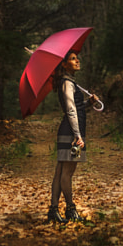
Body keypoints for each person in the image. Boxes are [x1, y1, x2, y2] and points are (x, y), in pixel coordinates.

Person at [47, 51, 100, 223]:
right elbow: (70, 110)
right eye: (72, 58)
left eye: (77, 57)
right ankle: (70, 209)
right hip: (71, 133)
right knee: (67, 172)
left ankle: (53, 210)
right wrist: (78, 136)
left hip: (69, 131)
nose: (77, 60)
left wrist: (88, 104)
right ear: (64, 64)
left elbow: (76, 107)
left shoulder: (69, 82)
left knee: (60, 171)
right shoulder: (67, 83)